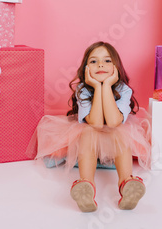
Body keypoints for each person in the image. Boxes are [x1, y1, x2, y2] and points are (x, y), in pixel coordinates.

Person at [29, 42, 151, 212]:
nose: (100, 64)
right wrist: (96, 87)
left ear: (116, 67)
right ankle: (86, 185)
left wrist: (107, 85)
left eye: (107, 61)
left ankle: (126, 183)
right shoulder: (83, 89)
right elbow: (95, 123)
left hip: (114, 143)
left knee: (119, 131)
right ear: (86, 69)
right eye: (93, 61)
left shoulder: (123, 90)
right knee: (87, 130)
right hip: (89, 144)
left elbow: (114, 122)